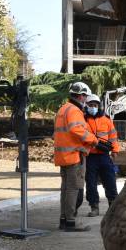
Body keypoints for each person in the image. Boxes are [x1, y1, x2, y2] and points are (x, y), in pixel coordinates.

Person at [53, 82, 98, 231]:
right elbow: (76, 130)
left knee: (65, 189)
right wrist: (92, 139)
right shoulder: (74, 110)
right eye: (85, 96)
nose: (86, 100)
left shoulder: (63, 109)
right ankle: (71, 222)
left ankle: (64, 220)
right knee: (73, 189)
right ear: (80, 95)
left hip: (64, 156)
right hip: (74, 156)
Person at [83, 94, 119, 217]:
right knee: (91, 183)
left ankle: (113, 206)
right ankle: (94, 207)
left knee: (110, 181)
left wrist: (115, 151)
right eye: (90, 105)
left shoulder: (106, 120)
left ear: (99, 106)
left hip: (104, 156)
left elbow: (113, 137)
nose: (93, 107)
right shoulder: (82, 120)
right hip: (90, 156)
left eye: (95, 105)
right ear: (86, 106)